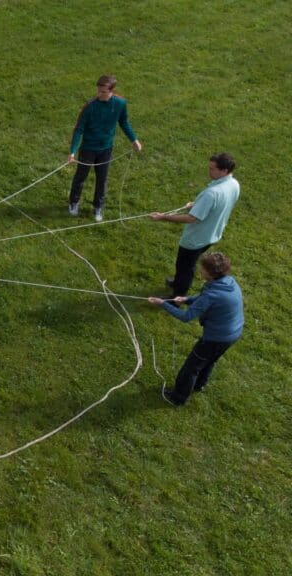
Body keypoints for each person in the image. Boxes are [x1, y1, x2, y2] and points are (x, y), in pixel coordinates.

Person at [148, 252, 243, 406]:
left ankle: (178, 397)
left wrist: (163, 303)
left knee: (191, 367)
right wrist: (187, 299)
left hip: (216, 338)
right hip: (233, 333)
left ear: (211, 274)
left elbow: (186, 317)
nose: (200, 270)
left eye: (203, 269)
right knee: (210, 360)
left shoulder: (212, 294)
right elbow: (205, 298)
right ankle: (199, 384)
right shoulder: (228, 282)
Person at [149, 153, 240, 298]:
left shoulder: (212, 193)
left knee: (185, 267)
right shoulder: (234, 184)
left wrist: (163, 217)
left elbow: (191, 219)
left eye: (212, 169)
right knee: (187, 264)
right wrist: (198, 206)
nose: (208, 171)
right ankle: (178, 282)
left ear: (224, 171)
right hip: (212, 234)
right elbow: (217, 206)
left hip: (196, 238)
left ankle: (177, 296)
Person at [67, 74, 142, 222]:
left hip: (106, 149)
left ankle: (98, 206)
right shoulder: (90, 106)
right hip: (88, 148)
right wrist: (72, 151)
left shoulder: (120, 104)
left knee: (102, 179)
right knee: (81, 177)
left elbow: (124, 122)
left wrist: (134, 140)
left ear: (112, 90)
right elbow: (79, 129)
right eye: (98, 91)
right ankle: (74, 202)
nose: (99, 95)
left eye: (103, 92)